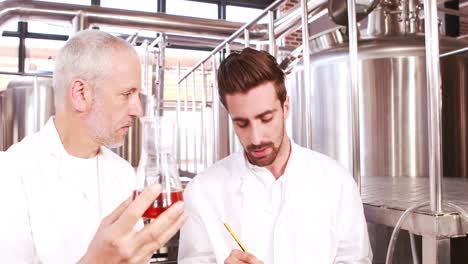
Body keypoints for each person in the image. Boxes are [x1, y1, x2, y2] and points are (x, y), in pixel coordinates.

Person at [0, 30, 187, 263]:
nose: (137, 110)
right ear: (80, 94)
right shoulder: (10, 173)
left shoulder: (124, 172)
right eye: (127, 94)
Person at [178, 48, 372, 263]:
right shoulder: (203, 191)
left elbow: (356, 259)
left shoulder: (336, 182)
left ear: (285, 107)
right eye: (242, 123)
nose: (256, 138)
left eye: (266, 118)